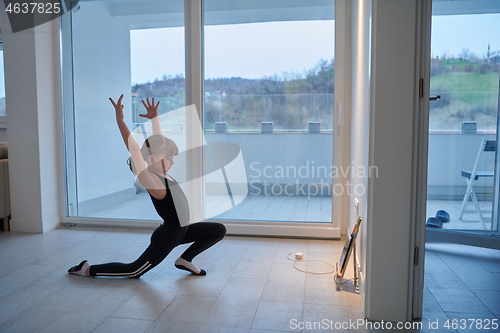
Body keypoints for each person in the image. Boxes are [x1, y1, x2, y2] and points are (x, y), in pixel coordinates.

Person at [68, 95, 226, 278]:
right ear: (153, 160)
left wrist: (154, 120)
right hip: (169, 236)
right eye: (169, 158)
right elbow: (135, 150)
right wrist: (120, 121)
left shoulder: (163, 173)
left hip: (184, 230)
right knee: (134, 270)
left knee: (218, 230)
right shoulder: (151, 180)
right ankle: (87, 269)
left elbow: (158, 143)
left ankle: (185, 259)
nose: (173, 161)